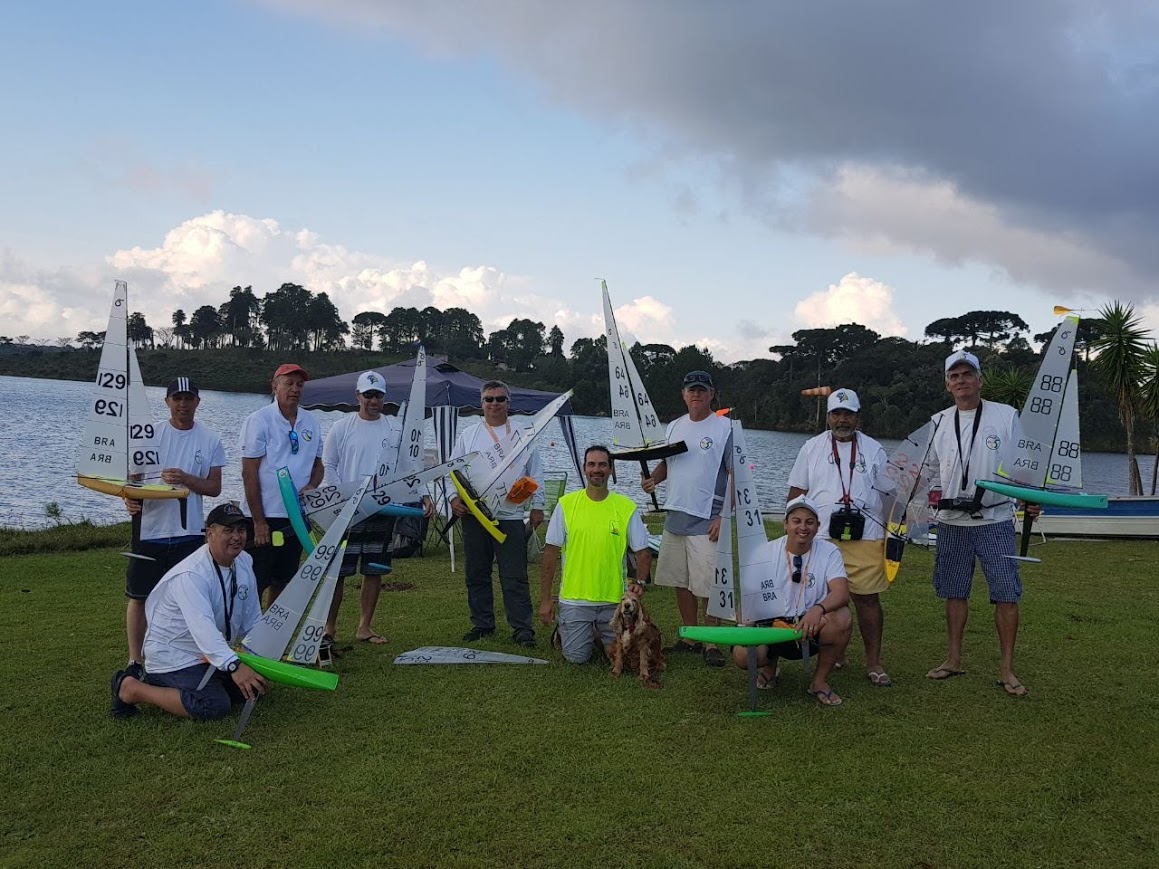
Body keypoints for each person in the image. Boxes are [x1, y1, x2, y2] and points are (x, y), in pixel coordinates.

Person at [926, 350, 1037, 697]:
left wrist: (1031, 497)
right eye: (954, 376)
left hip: (995, 518)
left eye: (967, 374)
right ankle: (953, 659)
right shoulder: (937, 421)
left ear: (979, 380)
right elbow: (928, 470)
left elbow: (1023, 465)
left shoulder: (1005, 415)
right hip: (951, 521)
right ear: (947, 384)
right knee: (954, 591)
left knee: (1006, 593)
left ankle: (1007, 669)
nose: (961, 381)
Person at [110, 504, 267, 720]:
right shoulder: (192, 574)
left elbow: (253, 617)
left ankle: (208, 680)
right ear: (210, 534)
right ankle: (132, 689)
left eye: (241, 530)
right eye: (228, 531)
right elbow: (202, 628)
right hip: (174, 655)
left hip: (205, 653)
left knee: (255, 687)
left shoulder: (244, 562)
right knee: (214, 705)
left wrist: (261, 655)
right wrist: (234, 665)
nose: (236, 537)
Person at [122, 377, 226, 681]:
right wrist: (127, 498)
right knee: (139, 596)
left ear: (198, 402)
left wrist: (186, 479)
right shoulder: (149, 435)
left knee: (191, 598)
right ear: (167, 401)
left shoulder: (210, 439)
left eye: (189, 399)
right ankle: (134, 660)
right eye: (177, 398)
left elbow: (215, 488)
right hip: (150, 530)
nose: (183, 404)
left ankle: (190, 656)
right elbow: (130, 480)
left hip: (189, 532)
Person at [787, 388, 892, 686]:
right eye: (836, 414)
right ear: (828, 417)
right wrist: (793, 532)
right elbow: (796, 492)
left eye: (848, 414)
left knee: (867, 600)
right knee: (823, 599)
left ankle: (874, 662)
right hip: (821, 537)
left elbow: (889, 496)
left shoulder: (874, 449)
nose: (842, 420)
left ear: (858, 417)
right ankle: (836, 654)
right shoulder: (811, 447)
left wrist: (892, 534)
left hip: (866, 536)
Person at [321, 370, 433, 647]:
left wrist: (423, 494)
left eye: (378, 396)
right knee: (339, 573)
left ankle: (364, 627)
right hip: (348, 511)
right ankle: (329, 628)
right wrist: (342, 494)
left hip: (382, 508)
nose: (373, 400)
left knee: (374, 570)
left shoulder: (394, 428)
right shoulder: (341, 427)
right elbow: (329, 466)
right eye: (368, 395)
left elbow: (409, 466)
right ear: (358, 396)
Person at [641, 370, 731, 666]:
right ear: (683, 394)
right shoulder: (674, 426)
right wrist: (653, 480)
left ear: (711, 394)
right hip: (675, 516)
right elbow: (667, 464)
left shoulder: (725, 428)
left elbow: (736, 475)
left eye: (702, 390)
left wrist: (723, 516)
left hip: (707, 517)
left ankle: (711, 641)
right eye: (692, 390)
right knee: (681, 581)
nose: (697, 394)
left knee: (708, 584)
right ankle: (690, 636)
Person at [730, 496, 852, 706]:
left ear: (817, 526)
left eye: (809, 522)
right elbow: (749, 598)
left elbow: (841, 592)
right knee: (743, 655)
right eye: (796, 521)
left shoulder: (829, 551)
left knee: (842, 617)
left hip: (811, 624)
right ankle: (769, 666)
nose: (803, 527)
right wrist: (745, 629)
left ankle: (819, 681)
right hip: (772, 624)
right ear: (785, 524)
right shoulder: (764, 552)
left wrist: (818, 609)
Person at [449, 380, 545, 647]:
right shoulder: (469, 435)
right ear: (481, 404)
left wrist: (538, 506)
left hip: (510, 515)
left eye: (500, 399)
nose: (494, 404)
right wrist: (453, 498)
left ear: (508, 402)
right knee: (476, 572)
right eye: (489, 399)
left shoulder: (523, 434)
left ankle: (522, 629)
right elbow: (453, 470)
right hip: (475, 515)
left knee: (514, 574)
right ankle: (482, 624)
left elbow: (536, 472)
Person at [538, 445, 651, 663]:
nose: (596, 470)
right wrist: (545, 600)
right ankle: (566, 630)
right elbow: (550, 554)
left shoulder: (625, 507)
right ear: (584, 468)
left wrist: (640, 582)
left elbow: (643, 553)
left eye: (602, 465)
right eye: (591, 464)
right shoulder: (566, 505)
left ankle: (595, 632)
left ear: (610, 469)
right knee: (577, 658)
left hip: (614, 601)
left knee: (621, 657)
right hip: (575, 601)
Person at [241, 363, 324, 605]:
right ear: (275, 386)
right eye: (289, 383)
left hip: (296, 516)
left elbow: (319, 466)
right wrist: (259, 522)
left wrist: (312, 485)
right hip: (266, 515)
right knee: (256, 580)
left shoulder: (311, 421)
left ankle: (272, 626)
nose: (295, 389)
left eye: (300, 385)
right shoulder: (259, 420)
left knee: (283, 580)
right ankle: (249, 626)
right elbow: (249, 474)